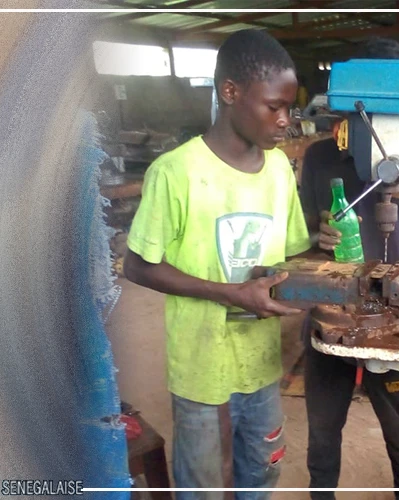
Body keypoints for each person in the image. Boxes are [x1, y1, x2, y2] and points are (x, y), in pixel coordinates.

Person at [122, 29, 309, 500]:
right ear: (231, 93)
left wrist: (321, 269)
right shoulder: (176, 171)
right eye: (274, 106)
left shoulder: (280, 172)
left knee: (261, 472)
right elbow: (138, 266)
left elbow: (290, 257)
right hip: (201, 363)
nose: (285, 120)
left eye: (290, 108)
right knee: (202, 485)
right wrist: (231, 293)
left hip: (262, 364)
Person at [297, 37, 399, 500]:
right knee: (324, 432)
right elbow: (298, 244)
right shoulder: (321, 158)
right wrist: (314, 244)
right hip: (331, 318)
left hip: (392, 326)